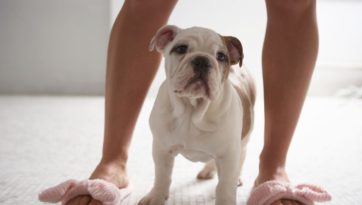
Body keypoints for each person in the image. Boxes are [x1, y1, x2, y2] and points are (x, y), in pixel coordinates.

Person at [66, 0, 319, 205]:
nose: (201, 64)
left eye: (218, 57)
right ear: (161, 43)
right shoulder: (161, 113)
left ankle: (273, 166)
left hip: (227, 127)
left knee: (293, 3)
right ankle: (113, 161)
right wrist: (159, 189)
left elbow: (229, 152)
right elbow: (161, 149)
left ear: (231, 60)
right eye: (182, 49)